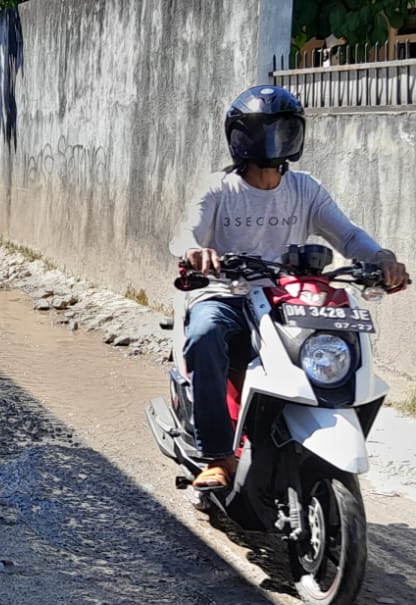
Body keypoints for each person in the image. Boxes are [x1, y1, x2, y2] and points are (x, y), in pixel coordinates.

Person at [169, 84, 409, 491]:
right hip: (230, 294)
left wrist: (381, 257)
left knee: (339, 339)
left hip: (286, 296)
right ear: (239, 138)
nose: (272, 141)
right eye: (261, 130)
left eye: (282, 130)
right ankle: (217, 455)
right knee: (206, 332)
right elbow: (184, 233)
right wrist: (196, 252)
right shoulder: (218, 189)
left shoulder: (306, 189)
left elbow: (349, 236)